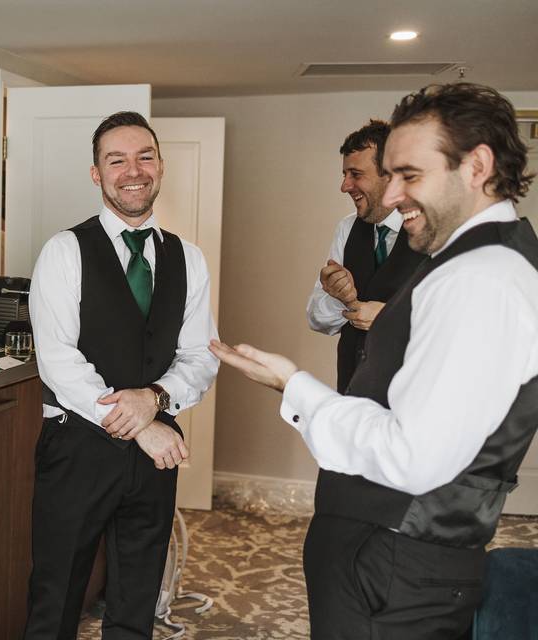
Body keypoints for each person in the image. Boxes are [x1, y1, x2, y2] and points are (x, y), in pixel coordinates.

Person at [211, 82, 538, 639]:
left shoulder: (482, 279)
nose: (391, 197)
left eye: (410, 176)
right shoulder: (474, 262)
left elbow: (412, 454)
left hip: (396, 561)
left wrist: (295, 384)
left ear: (477, 165)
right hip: (387, 552)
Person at [24, 111, 219, 639]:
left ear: (161, 165)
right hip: (77, 449)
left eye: (145, 156)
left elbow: (201, 356)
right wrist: (140, 422)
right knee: (55, 597)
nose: (133, 171)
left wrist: (154, 401)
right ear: (96, 173)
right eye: (117, 160)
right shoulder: (64, 251)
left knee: (137, 600)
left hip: (156, 452)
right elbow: (58, 360)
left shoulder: (189, 259)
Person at [307, 119, 424, 392]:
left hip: (410, 400)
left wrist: (390, 320)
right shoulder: (347, 228)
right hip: (351, 394)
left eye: (356, 174)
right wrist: (341, 297)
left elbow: (454, 325)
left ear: (390, 175)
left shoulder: (432, 231)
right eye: (344, 175)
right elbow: (316, 318)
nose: (345, 186)